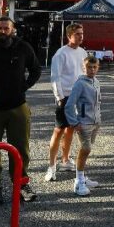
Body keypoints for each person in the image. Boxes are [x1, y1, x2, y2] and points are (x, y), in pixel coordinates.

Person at [0, 16, 41, 204]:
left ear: (13, 30)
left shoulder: (24, 47)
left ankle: (21, 184)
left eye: (6, 28)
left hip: (17, 107)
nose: (3, 31)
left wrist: (24, 86)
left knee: (21, 148)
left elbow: (36, 69)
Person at [45, 23, 88, 182]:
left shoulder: (83, 52)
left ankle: (65, 160)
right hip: (65, 97)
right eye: (77, 34)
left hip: (79, 97)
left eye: (82, 33)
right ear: (69, 36)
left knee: (71, 129)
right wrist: (60, 98)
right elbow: (55, 77)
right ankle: (51, 167)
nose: (80, 36)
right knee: (58, 131)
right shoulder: (60, 54)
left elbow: (84, 74)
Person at [65, 55, 102, 196]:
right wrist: (74, 122)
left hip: (95, 123)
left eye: (94, 67)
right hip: (84, 123)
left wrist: (98, 119)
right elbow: (69, 105)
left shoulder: (96, 82)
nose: (91, 70)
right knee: (85, 149)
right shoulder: (80, 83)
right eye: (89, 67)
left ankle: (83, 177)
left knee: (87, 149)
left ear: (98, 68)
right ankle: (78, 182)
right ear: (83, 68)